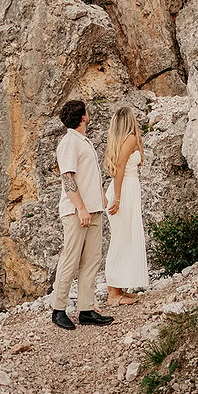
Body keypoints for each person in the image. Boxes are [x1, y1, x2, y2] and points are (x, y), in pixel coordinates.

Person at [50, 99, 115, 331]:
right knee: (71, 259)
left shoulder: (82, 141)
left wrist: (100, 198)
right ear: (83, 116)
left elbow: (86, 176)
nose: (89, 114)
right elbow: (67, 177)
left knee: (91, 260)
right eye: (87, 111)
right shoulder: (69, 142)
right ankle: (58, 310)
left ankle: (86, 309)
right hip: (78, 212)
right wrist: (80, 208)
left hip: (93, 210)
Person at [104, 106, 149, 305]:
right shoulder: (130, 138)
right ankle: (113, 294)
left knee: (125, 236)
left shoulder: (123, 140)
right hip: (124, 190)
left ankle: (119, 289)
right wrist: (118, 197)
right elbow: (120, 167)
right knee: (121, 238)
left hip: (126, 189)